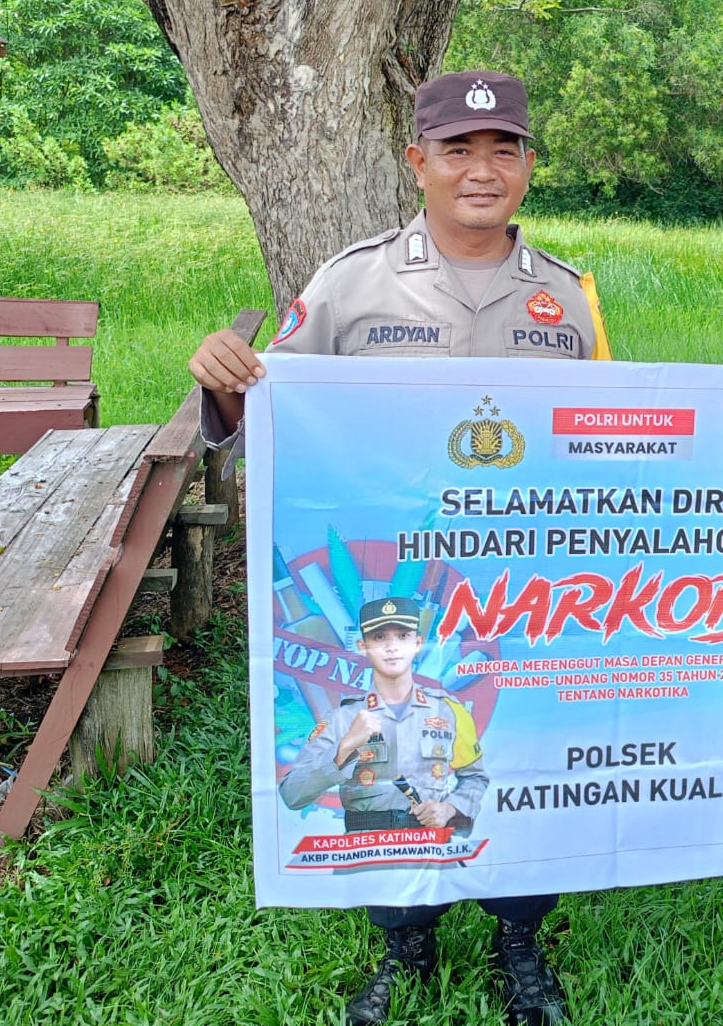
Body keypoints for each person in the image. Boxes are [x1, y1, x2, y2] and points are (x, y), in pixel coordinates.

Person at [190, 69, 609, 1026]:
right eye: (458, 149)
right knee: (387, 758)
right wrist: (224, 387)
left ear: (529, 167)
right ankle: (404, 943)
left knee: (516, 755)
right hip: (397, 595)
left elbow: (598, 440)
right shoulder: (351, 283)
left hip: (519, 595)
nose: (481, 168)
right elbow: (271, 416)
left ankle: (520, 938)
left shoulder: (567, 298)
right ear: (417, 161)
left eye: (504, 148)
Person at [279, 596, 486, 835]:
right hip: (363, 857)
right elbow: (291, 795)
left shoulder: (448, 710)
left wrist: (450, 808)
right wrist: (344, 748)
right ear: (362, 646)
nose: (392, 647)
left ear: (418, 643)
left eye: (403, 635)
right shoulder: (343, 717)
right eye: (379, 637)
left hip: (430, 854)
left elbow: (474, 778)